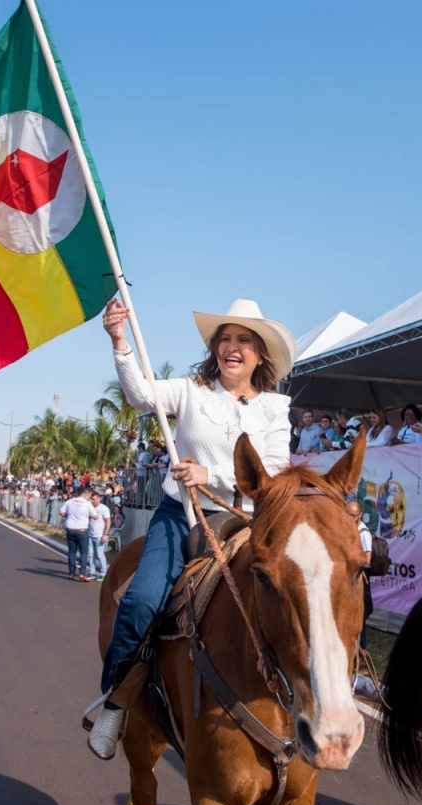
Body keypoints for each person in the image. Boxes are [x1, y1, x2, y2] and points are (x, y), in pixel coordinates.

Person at [88, 296, 293, 760]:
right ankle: (115, 701)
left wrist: (212, 475)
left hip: (248, 519)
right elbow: (139, 394)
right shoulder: (190, 390)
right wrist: (119, 340)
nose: (232, 347)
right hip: (182, 515)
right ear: (215, 349)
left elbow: (276, 472)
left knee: (300, 594)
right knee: (141, 600)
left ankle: (306, 691)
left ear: (260, 354)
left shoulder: (277, 408)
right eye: (225, 339)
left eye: (243, 340)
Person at [346, 500, 374, 651]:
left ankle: (361, 648)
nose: (350, 518)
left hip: (361, 577)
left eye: (353, 516)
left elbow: (367, 561)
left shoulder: (364, 533)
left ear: (360, 515)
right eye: (347, 515)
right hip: (351, 577)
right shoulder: (349, 529)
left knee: (361, 612)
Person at [60, 489, 94, 581]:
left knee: (72, 552)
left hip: (70, 528)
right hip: (82, 529)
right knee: (83, 552)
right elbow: (95, 516)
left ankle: (71, 573)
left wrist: (68, 516)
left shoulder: (70, 501)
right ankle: (82, 573)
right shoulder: (87, 503)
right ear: (86, 496)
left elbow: (61, 512)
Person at [87, 490, 112, 580]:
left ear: (98, 499)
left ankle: (103, 572)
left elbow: (108, 521)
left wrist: (105, 534)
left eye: (93, 499)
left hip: (99, 535)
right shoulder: (90, 508)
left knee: (100, 554)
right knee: (91, 554)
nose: (92, 501)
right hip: (90, 534)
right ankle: (92, 572)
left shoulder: (104, 509)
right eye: (91, 499)